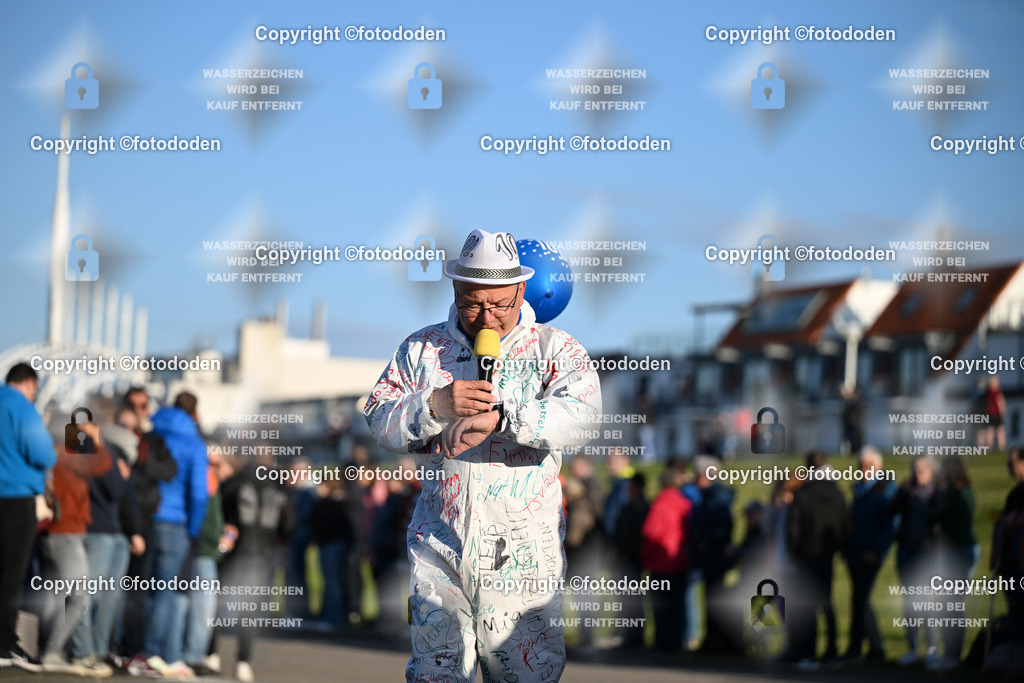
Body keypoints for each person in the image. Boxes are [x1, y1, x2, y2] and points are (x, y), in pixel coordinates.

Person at [363, 229, 602, 681]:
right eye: (472, 304)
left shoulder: (556, 348)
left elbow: (583, 417)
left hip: (523, 555)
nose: (486, 318)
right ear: (455, 289)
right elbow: (378, 417)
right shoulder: (421, 348)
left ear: (521, 290)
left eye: (499, 305)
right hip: (438, 544)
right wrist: (434, 405)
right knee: (435, 673)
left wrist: (506, 417)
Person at [39, 402, 113, 676]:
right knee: (80, 597)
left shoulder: (52, 454)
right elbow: (100, 464)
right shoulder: (64, 454)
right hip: (66, 533)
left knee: (58, 595)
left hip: (58, 533)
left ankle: (49, 650)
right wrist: (96, 436)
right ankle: (52, 652)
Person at [72, 403, 144, 673]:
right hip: (99, 529)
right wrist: (120, 474)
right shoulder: (98, 449)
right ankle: (83, 652)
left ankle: (95, 651)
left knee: (100, 597)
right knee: (89, 595)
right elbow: (115, 488)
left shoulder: (95, 449)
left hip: (104, 529)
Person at [111, 388, 177, 676]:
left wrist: (141, 458)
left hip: (145, 520)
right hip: (117, 519)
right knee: (111, 587)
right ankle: (109, 646)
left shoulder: (154, 441)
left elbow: (169, 470)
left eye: (143, 405)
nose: (139, 410)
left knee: (138, 590)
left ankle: (131, 649)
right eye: (134, 405)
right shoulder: (114, 437)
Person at [143, 392, 209, 678]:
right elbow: (199, 493)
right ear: (194, 412)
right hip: (175, 521)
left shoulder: (152, 430)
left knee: (143, 588)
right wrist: (193, 529)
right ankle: (156, 653)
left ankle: (143, 650)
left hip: (146, 516)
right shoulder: (193, 442)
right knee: (167, 592)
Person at [214, 452, 294, 681]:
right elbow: (289, 525)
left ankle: (211, 654)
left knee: (216, 605)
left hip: (232, 553)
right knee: (249, 611)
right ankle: (243, 661)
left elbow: (220, 511)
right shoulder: (278, 490)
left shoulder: (235, 483)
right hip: (261, 557)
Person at [0, 363, 55, 672]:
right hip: (15, 497)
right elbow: (43, 453)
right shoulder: (22, 407)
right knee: (11, 573)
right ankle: (5, 644)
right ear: (31, 383)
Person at [784, 451, 850, 667]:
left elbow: (794, 527)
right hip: (827, 556)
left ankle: (808, 652)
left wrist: (794, 552)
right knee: (826, 604)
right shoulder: (838, 493)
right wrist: (837, 548)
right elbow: (845, 524)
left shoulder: (803, 494)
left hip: (806, 556)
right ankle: (831, 650)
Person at [183, 441, 234, 675]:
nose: (220, 468)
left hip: (206, 550)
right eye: (214, 463)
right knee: (201, 607)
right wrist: (216, 537)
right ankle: (193, 656)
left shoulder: (213, 482)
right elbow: (202, 520)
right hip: (202, 550)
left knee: (201, 606)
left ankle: (195, 655)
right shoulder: (204, 481)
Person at [842, 447, 896, 662]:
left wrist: (876, 551)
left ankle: (863, 647)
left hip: (871, 553)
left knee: (861, 599)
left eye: (869, 466)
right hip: (855, 552)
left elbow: (889, 527)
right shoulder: (861, 490)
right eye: (862, 465)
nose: (865, 469)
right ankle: (871, 647)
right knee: (859, 600)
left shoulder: (884, 491)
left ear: (879, 467)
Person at [928, 456, 978, 672]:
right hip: (961, 550)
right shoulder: (966, 491)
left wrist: (937, 492)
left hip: (957, 552)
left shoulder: (952, 494)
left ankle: (952, 655)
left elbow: (931, 515)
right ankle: (951, 654)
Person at [889, 454, 939, 666]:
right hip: (906, 549)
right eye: (915, 470)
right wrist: (903, 490)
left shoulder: (938, 492)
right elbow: (891, 509)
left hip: (926, 552)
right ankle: (913, 649)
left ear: (932, 470)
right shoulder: (908, 490)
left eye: (922, 470)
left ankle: (932, 648)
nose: (918, 474)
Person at [641, 467, 692, 653]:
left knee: (661, 606)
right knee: (679, 604)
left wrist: (644, 556)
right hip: (681, 561)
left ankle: (663, 642)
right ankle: (679, 641)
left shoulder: (659, 505)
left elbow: (651, 534)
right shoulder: (686, 504)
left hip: (661, 563)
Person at [689, 455, 735, 655]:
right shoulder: (708, 496)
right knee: (709, 599)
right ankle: (712, 640)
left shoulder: (717, 497)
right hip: (708, 556)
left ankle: (718, 642)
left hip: (714, 556)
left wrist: (706, 541)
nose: (694, 478)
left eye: (697, 474)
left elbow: (723, 527)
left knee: (715, 599)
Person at [612, 472, 648, 650]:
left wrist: (626, 552)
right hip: (626, 559)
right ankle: (629, 635)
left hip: (632, 559)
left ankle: (635, 636)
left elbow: (637, 536)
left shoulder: (639, 507)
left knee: (632, 600)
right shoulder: (631, 505)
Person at [982, 377, 1007, 452]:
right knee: (1000, 431)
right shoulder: (997, 392)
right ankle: (1002, 447)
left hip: (989, 414)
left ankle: (989, 447)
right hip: (996, 414)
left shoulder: (987, 392)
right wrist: (1002, 412)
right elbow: (1000, 402)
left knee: (990, 431)